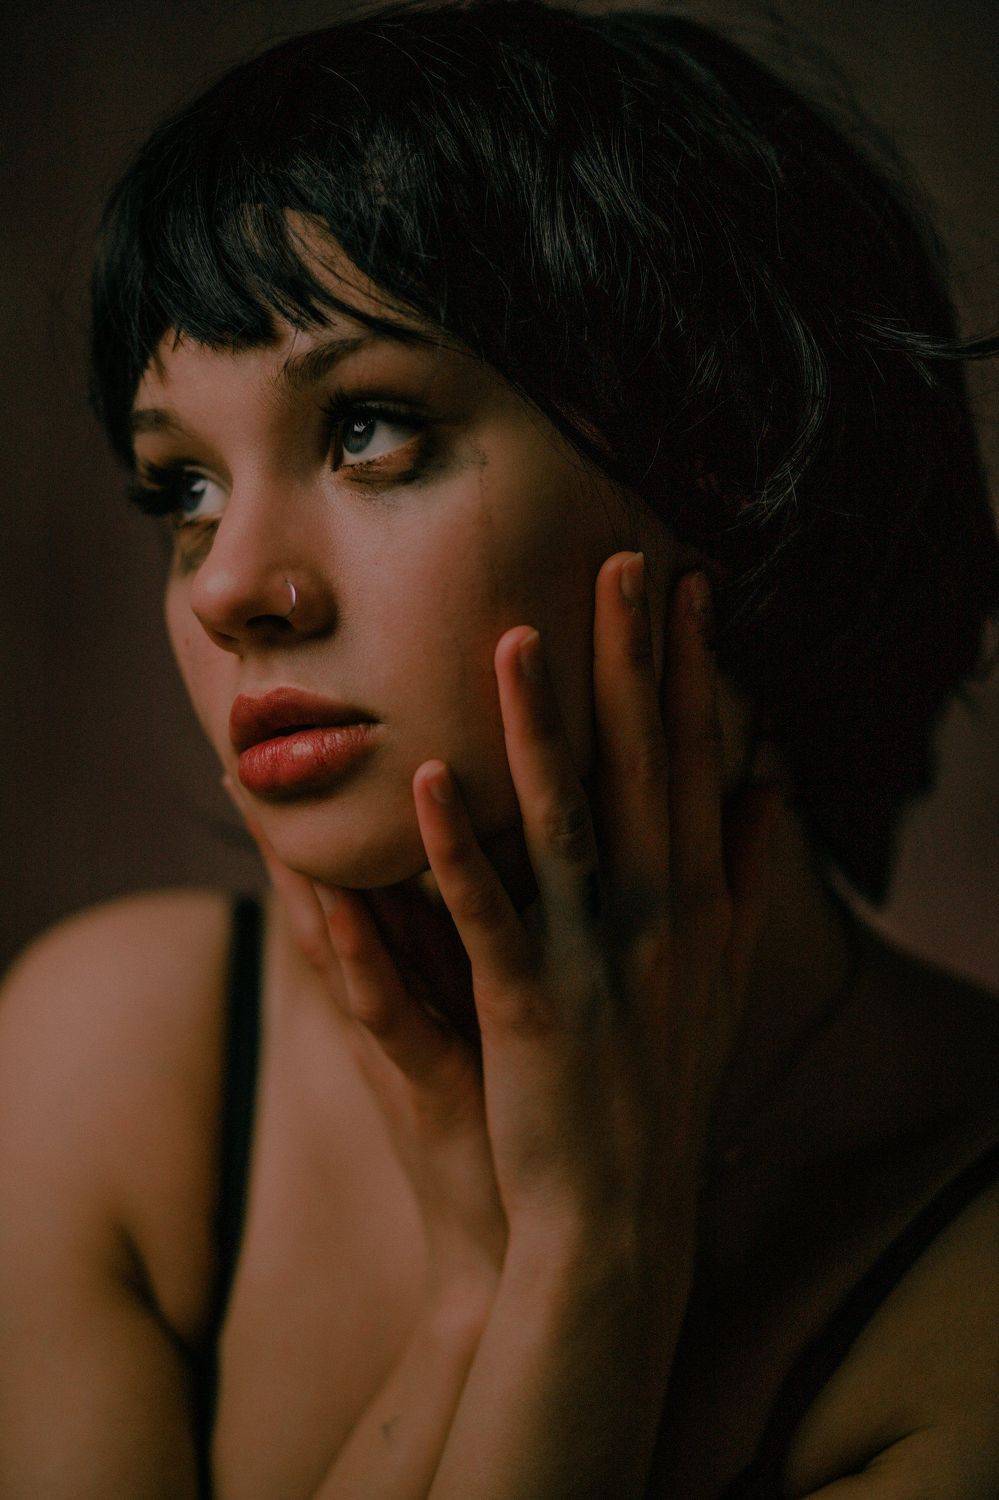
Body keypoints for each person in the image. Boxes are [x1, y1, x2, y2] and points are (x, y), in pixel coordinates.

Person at [1, 1, 996, 1494]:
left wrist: (594, 1260)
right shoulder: (116, 1065)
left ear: (733, 474)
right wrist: (501, 1290)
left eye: (368, 430)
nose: (227, 586)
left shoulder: (970, 1291)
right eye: (184, 490)